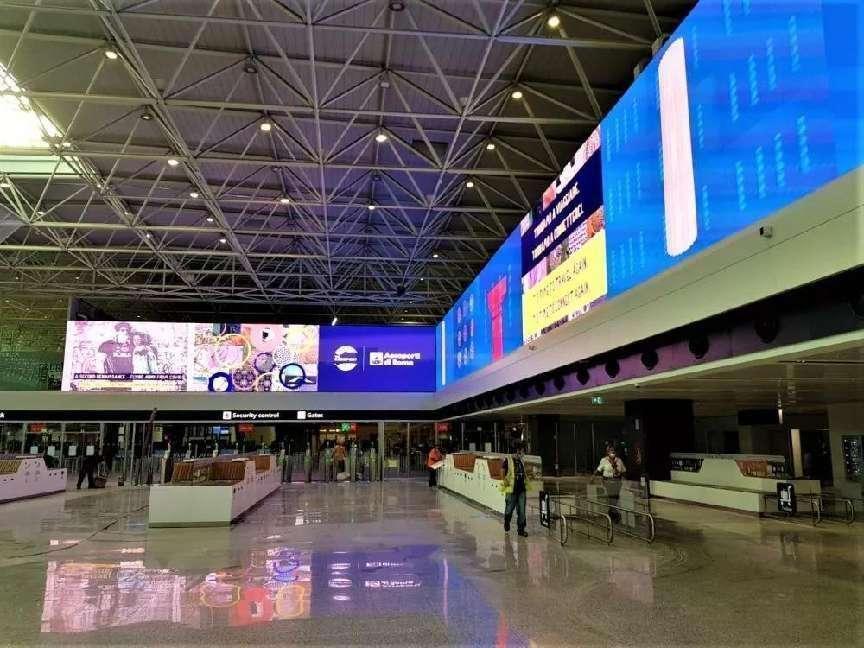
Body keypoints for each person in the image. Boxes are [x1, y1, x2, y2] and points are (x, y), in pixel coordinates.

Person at [500, 442, 529, 537]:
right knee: (509, 510)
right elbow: (502, 470)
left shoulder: (521, 461)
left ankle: (521, 530)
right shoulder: (508, 460)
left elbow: (524, 473)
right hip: (511, 490)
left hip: (521, 490)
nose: (523, 453)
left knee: (522, 511)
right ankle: (507, 522)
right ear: (517, 451)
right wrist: (504, 480)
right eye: (522, 451)